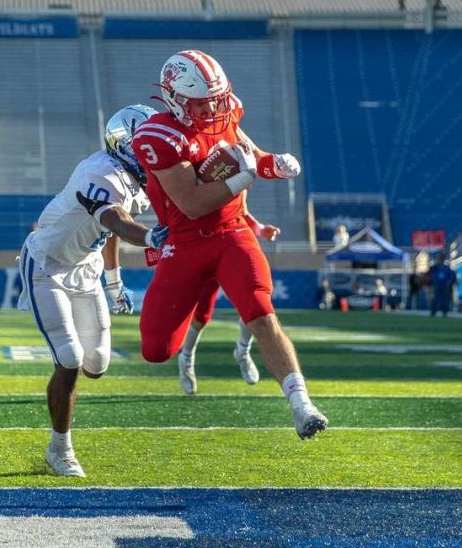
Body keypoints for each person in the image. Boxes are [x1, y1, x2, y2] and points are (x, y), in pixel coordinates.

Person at [130, 49, 327, 439]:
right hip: (184, 243)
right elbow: (192, 203)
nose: (214, 110)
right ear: (176, 100)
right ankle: (184, 352)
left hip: (231, 233)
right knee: (155, 349)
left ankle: (302, 404)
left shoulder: (226, 110)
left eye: (217, 100)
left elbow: (251, 156)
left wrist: (275, 165)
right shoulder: (158, 136)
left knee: (260, 311)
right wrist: (243, 179)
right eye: (203, 104)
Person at [17, 105, 169, 477]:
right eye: (143, 145)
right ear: (123, 144)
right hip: (47, 264)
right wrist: (149, 237)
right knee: (68, 359)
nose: (151, 154)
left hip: (87, 270)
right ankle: (59, 449)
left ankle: (61, 412)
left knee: (96, 365)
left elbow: (115, 227)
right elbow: (115, 219)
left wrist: (114, 282)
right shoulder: (98, 172)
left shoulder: (139, 182)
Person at [177, 211, 281, 395]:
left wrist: (260, 228)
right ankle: (186, 358)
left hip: (234, 243)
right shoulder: (191, 181)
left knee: (254, 304)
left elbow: (242, 210)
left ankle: (242, 350)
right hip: (201, 245)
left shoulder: (238, 181)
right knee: (202, 315)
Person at [428, 252, 455, 317]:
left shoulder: (447, 267)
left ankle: (444, 312)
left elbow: (451, 276)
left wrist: (448, 282)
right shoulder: (436, 267)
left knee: (444, 299)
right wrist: (434, 281)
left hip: (445, 284)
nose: (441, 259)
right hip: (437, 284)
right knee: (436, 298)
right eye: (440, 258)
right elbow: (432, 275)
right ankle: (433, 311)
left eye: (442, 258)